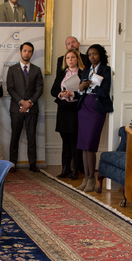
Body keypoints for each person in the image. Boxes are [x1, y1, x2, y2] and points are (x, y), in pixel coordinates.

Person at [77, 44, 113, 193]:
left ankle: (92, 178)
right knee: (83, 145)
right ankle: (86, 178)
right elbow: (80, 91)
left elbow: (105, 92)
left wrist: (92, 85)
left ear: (100, 55)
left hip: (97, 108)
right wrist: (82, 87)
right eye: (90, 54)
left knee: (90, 144)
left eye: (95, 54)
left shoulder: (106, 70)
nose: (92, 56)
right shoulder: (86, 70)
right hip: (84, 107)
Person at [6, 41, 44, 172]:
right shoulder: (12, 69)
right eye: (25, 51)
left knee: (31, 137)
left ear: (32, 54)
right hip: (16, 108)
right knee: (14, 137)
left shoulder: (37, 70)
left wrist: (29, 103)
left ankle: (32, 164)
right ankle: (12, 164)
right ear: (20, 52)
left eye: (29, 51)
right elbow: (10, 89)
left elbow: (39, 89)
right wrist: (22, 102)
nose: (27, 53)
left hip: (32, 109)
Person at [51, 49, 87, 179]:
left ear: (77, 59)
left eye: (72, 57)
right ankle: (65, 168)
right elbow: (53, 90)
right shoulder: (62, 74)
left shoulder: (82, 74)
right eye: (68, 58)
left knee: (74, 140)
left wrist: (73, 93)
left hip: (74, 110)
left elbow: (86, 93)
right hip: (63, 109)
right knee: (65, 140)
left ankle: (75, 169)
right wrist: (61, 93)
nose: (70, 60)